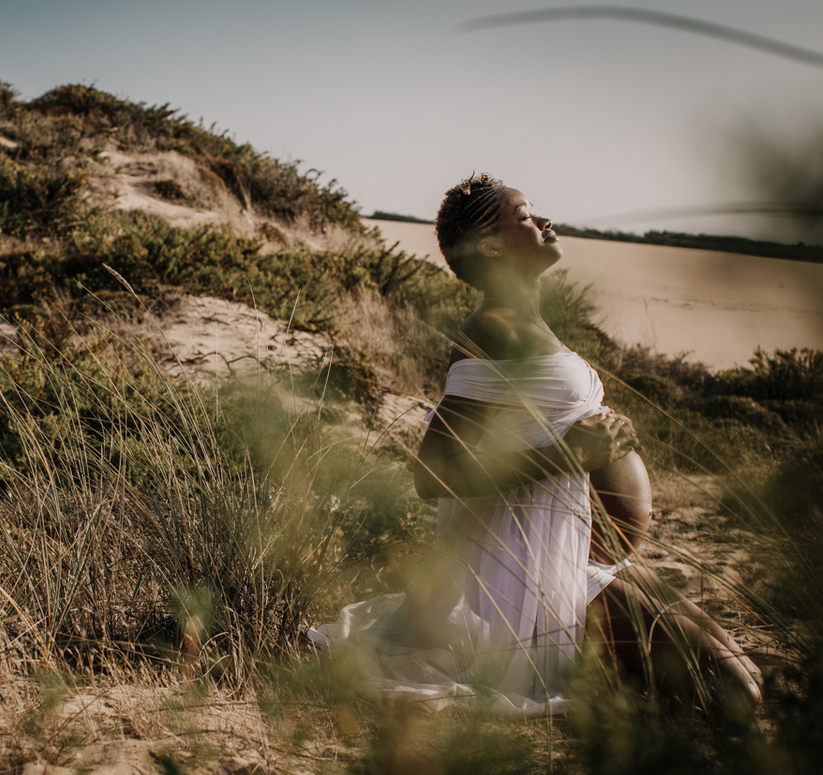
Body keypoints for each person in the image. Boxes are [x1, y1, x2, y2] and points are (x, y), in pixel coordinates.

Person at [308, 173, 761, 715]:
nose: (545, 221)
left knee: (744, 665)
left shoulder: (529, 325)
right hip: (547, 574)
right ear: (493, 246)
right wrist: (571, 453)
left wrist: (610, 435)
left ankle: (616, 673)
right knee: (738, 692)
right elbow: (434, 472)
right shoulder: (490, 330)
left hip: (592, 555)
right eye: (525, 215)